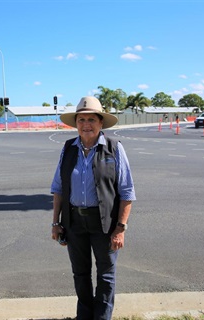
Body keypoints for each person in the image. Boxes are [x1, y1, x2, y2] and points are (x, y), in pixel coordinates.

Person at [50, 96, 136, 320]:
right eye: (81, 120)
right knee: (80, 274)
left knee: (106, 276)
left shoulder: (114, 149)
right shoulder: (68, 148)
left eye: (91, 119)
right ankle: (85, 316)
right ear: (76, 123)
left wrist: (120, 228)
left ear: (100, 123)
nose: (86, 124)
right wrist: (56, 223)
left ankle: (102, 317)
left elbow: (127, 192)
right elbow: (58, 187)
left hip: (105, 224)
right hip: (74, 222)